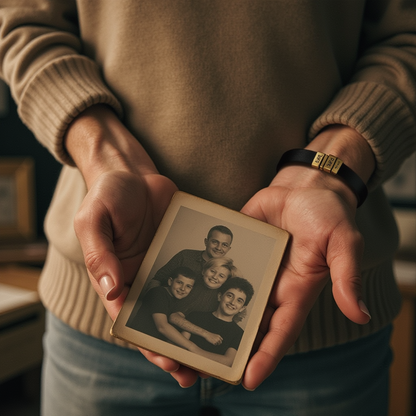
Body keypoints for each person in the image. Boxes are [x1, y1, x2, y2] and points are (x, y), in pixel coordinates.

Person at [0, 1, 415, 415]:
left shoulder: (225, 279)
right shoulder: (183, 265)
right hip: (106, 315)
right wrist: (103, 153)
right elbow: (24, 24)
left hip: (321, 320)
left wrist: (330, 170)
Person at [182, 277, 255, 367]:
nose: (232, 302)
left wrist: (196, 351)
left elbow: (228, 361)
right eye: (230, 296)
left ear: (242, 308)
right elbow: (181, 344)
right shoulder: (196, 316)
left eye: (239, 301)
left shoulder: (239, 333)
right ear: (220, 296)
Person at [126, 266, 197, 346]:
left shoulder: (176, 301)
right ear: (170, 281)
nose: (183, 288)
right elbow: (162, 327)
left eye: (188, 286)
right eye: (179, 282)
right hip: (137, 341)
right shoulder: (158, 293)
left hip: (151, 343)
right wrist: (192, 347)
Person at [148, 225, 233, 288]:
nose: (218, 247)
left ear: (228, 249)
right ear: (206, 242)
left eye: (224, 245)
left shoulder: (228, 272)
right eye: (215, 242)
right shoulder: (185, 256)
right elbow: (157, 279)